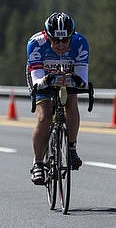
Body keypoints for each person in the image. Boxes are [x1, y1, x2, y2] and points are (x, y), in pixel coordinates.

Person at [26, 11, 89, 185]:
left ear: (72, 36)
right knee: (44, 116)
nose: (61, 45)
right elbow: (37, 80)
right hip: (43, 78)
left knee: (71, 103)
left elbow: (83, 79)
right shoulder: (35, 44)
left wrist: (75, 80)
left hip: (68, 77)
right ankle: (38, 163)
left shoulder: (80, 43)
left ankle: (72, 148)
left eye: (65, 40)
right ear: (47, 36)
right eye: (55, 40)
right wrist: (47, 79)